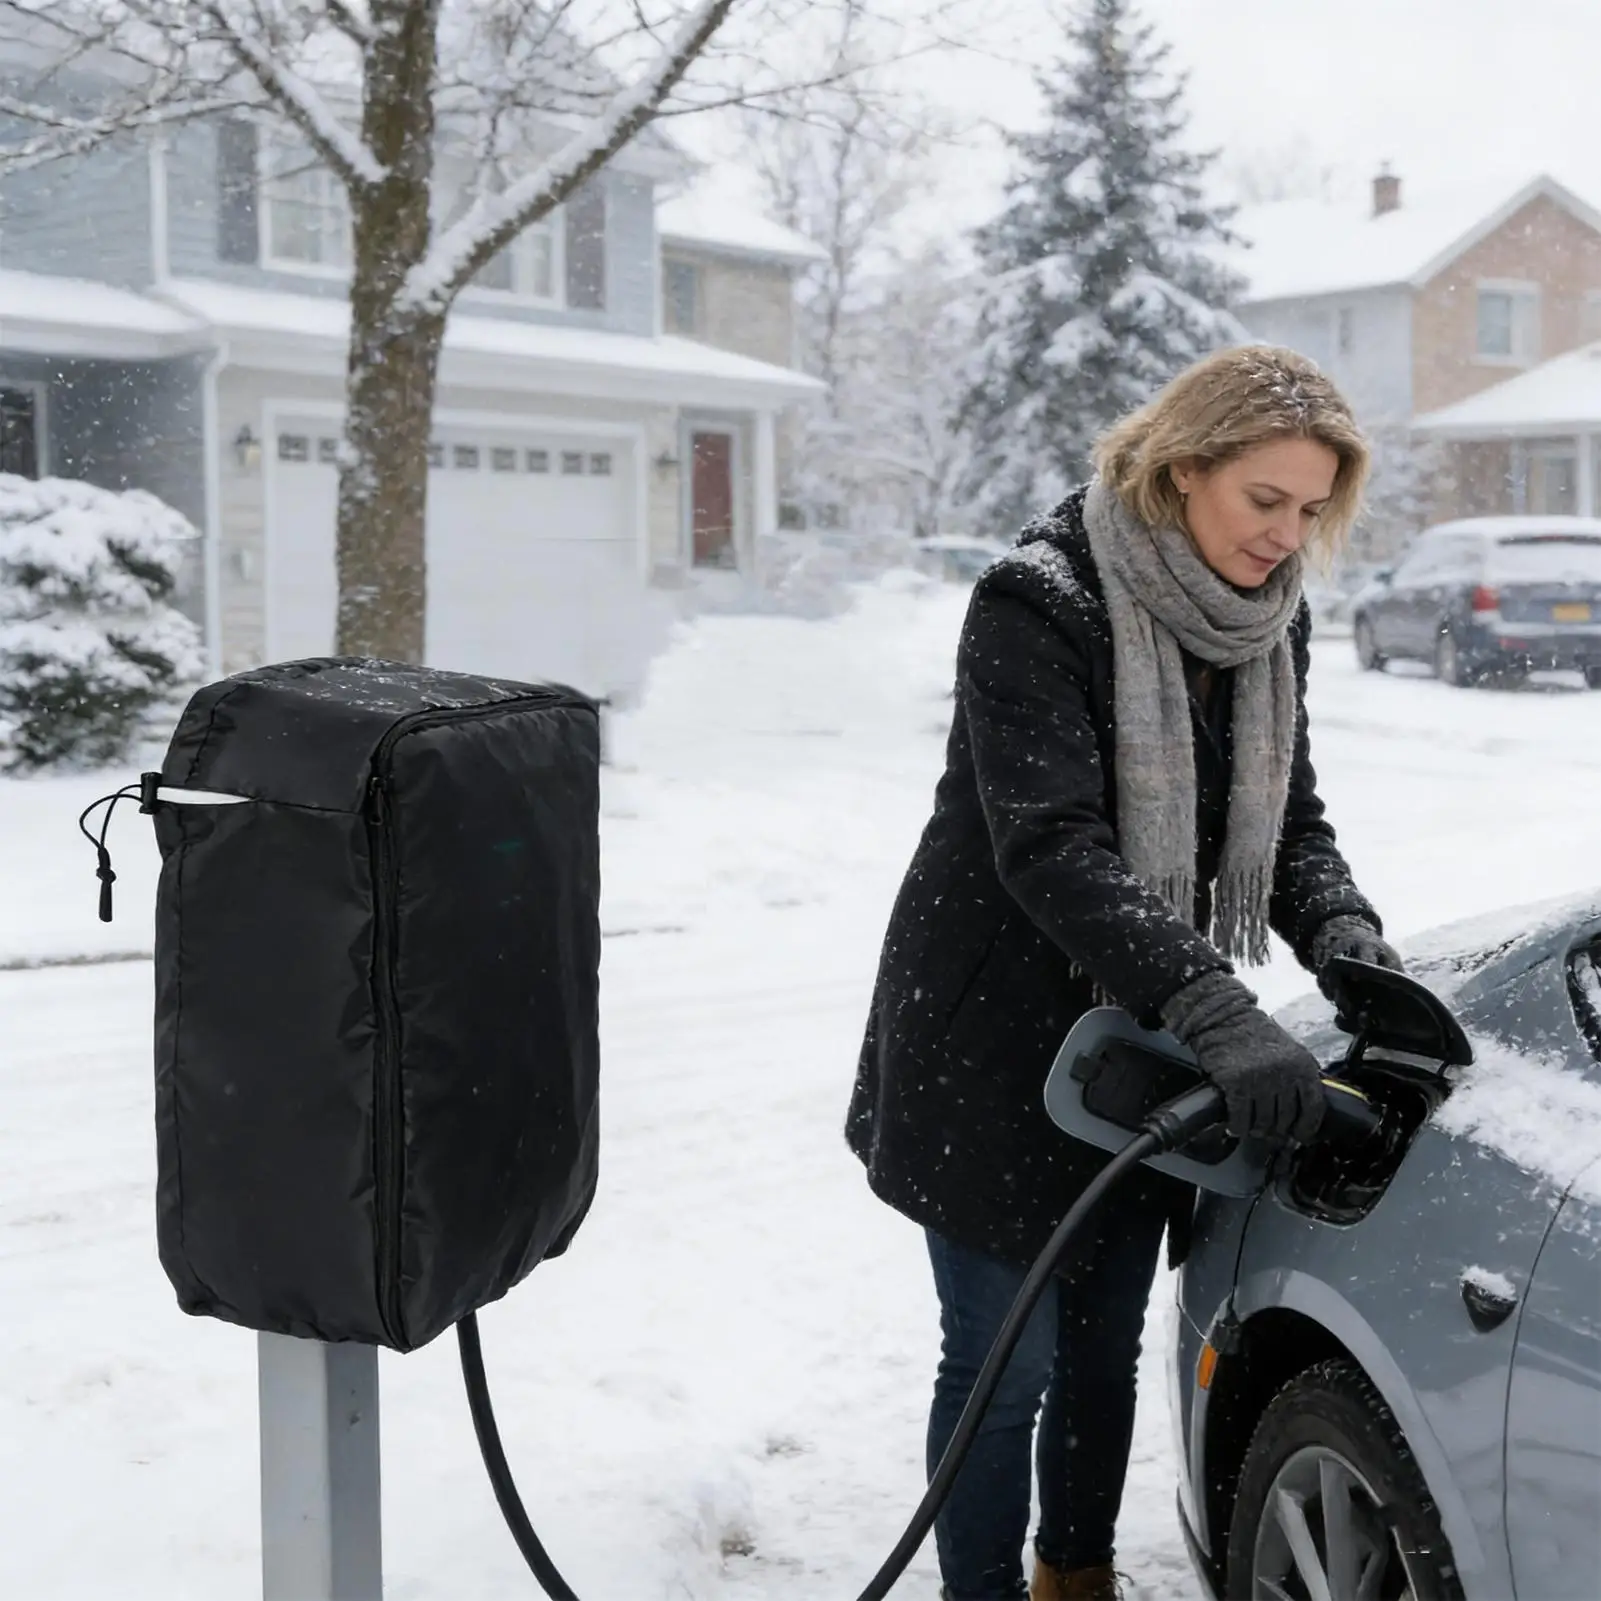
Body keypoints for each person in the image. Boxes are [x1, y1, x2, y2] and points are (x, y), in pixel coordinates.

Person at [845, 345, 1402, 1601]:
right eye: (1265, 499)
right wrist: (1210, 1000)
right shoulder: (1036, 602)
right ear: (1183, 465)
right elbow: (1049, 840)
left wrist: (1344, 935)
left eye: (1310, 510)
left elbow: (1286, 817)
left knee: (1101, 1348)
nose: (1286, 535)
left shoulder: (1266, 622)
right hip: (994, 1035)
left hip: (1137, 1044)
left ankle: (1074, 1575)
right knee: (1002, 1359)